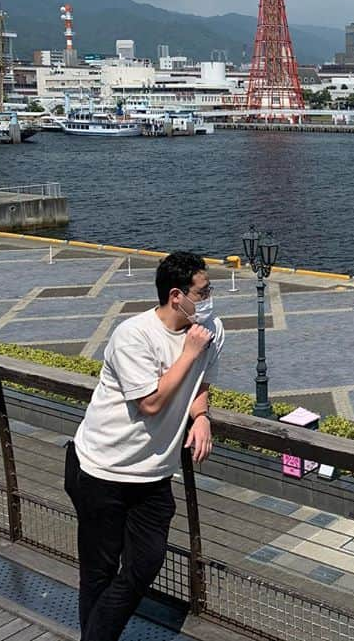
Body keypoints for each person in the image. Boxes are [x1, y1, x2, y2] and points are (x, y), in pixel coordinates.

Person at [64, 251, 223, 641]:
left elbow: (201, 381)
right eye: (203, 292)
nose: (209, 299)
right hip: (100, 470)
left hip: (152, 474)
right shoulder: (132, 335)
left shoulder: (211, 330)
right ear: (176, 296)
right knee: (99, 573)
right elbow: (150, 403)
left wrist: (201, 416)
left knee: (146, 563)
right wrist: (188, 353)